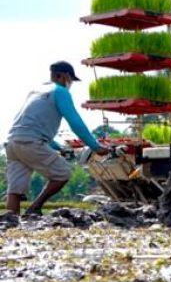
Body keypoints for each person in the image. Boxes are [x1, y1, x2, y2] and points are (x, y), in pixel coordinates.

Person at [5, 61, 109, 218]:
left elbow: (30, 126)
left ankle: (9, 223)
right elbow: (75, 122)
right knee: (63, 173)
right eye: (71, 80)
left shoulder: (36, 91)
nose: (70, 84)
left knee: (15, 189)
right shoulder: (60, 91)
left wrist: (58, 147)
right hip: (30, 142)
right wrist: (95, 146)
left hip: (12, 143)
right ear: (64, 76)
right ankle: (35, 207)